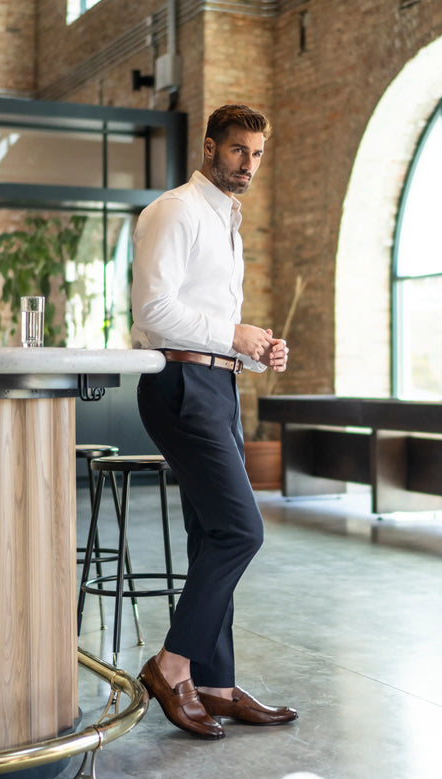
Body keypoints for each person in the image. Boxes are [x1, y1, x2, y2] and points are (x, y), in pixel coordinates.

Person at [130, 104, 297, 740]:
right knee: (239, 531)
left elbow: (214, 323)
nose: (248, 165)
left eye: (256, 154)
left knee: (210, 534)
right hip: (178, 385)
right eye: (237, 151)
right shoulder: (174, 210)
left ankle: (216, 683)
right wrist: (235, 334)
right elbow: (154, 311)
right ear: (208, 148)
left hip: (218, 384)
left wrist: (255, 352)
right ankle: (172, 666)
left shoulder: (227, 222)